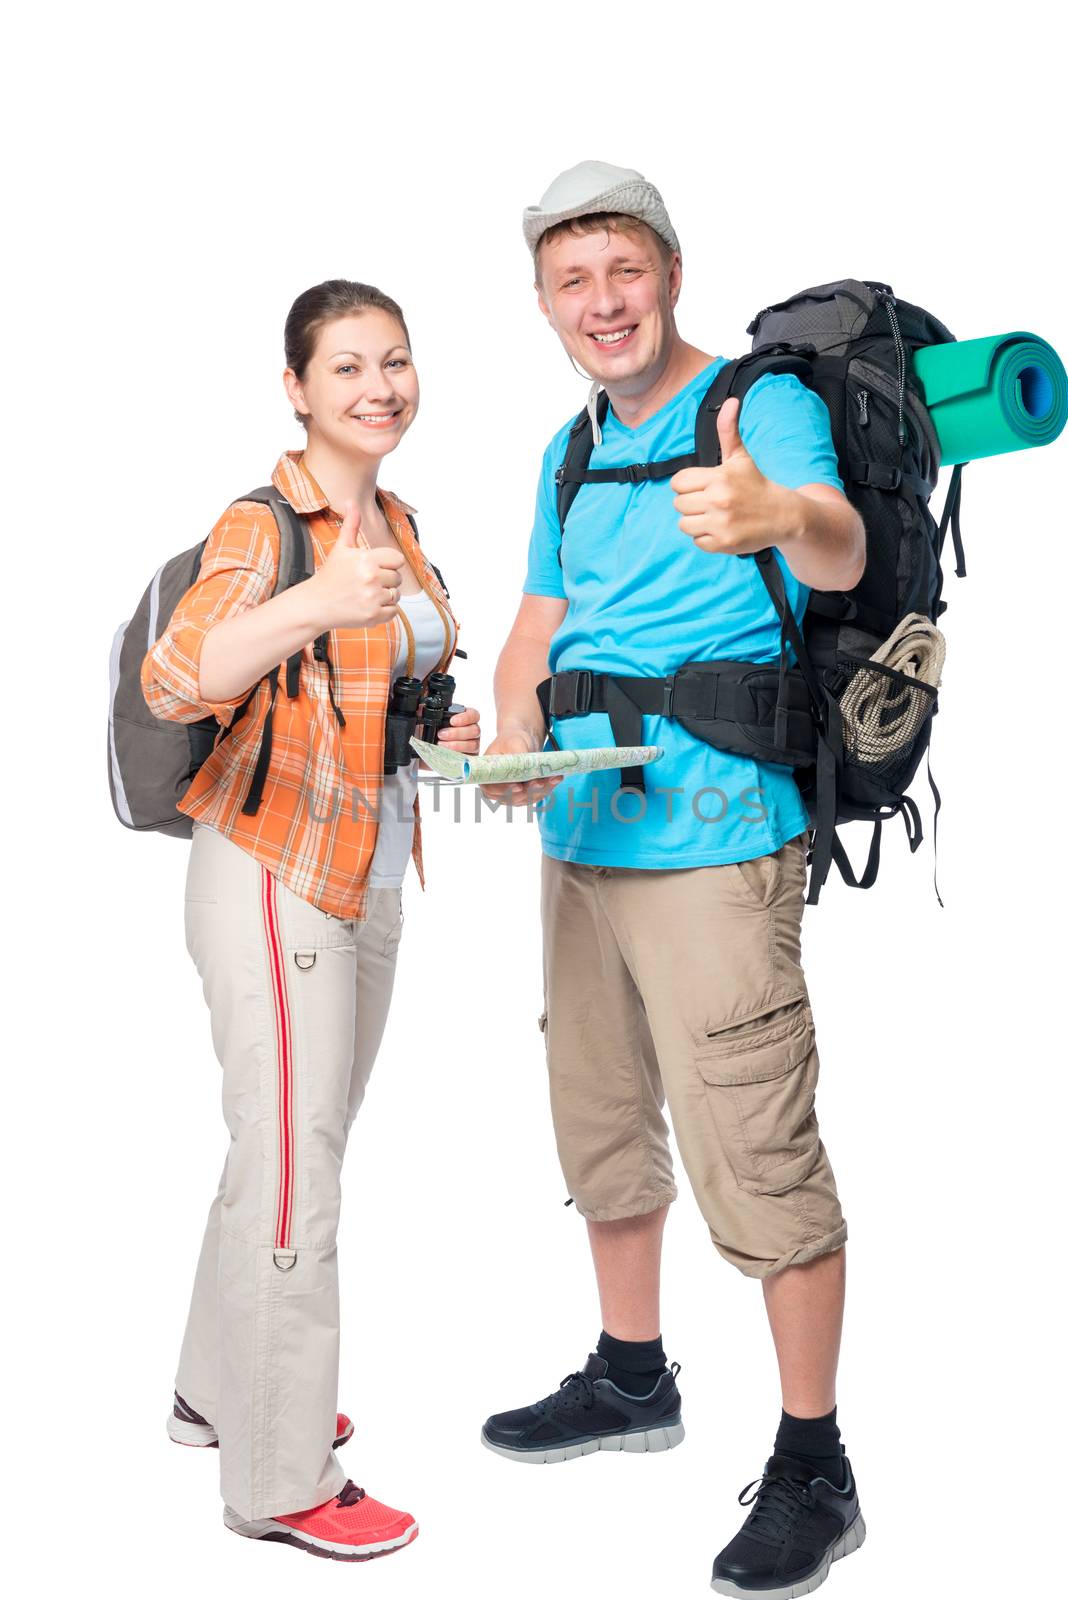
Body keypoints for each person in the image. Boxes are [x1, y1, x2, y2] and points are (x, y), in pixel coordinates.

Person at [480, 163, 866, 1597]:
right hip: (580, 838)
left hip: (714, 840)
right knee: (599, 1123)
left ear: (672, 273)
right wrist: (515, 732)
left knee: (758, 1146)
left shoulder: (753, 408)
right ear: (544, 305)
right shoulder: (568, 452)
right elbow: (537, 627)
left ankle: (816, 1465)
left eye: (623, 273)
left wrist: (774, 515)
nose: (603, 303)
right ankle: (633, 1376)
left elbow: (841, 547)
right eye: (573, 282)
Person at [141, 278, 480, 1561]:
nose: (378, 386)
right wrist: (312, 604)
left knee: (290, 1145)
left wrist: (438, 726)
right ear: (297, 387)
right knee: (298, 1175)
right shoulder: (264, 523)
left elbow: (391, 697)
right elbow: (175, 676)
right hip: (273, 871)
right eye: (347, 367)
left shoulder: (399, 520)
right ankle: (279, 1473)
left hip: (371, 873)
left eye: (395, 361)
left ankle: (217, 1384)